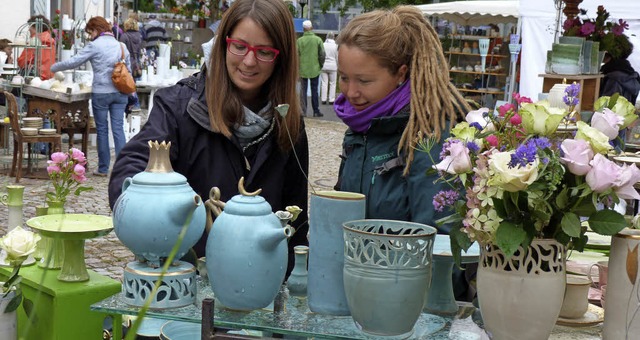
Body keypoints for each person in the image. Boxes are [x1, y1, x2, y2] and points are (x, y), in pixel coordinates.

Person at [108, 0, 309, 275]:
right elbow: (132, 164)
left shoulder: (289, 124)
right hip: (187, 277)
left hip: (261, 282)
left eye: (264, 52)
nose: (249, 61)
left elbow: (295, 218)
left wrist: (292, 281)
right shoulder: (178, 107)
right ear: (224, 44)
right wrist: (146, 215)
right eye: (240, 47)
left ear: (282, 57)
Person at [332, 6, 472, 299]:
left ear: (400, 74)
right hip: (363, 294)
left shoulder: (428, 134)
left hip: (408, 305)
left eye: (364, 80)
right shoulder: (363, 125)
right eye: (344, 77)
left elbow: (440, 244)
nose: (350, 92)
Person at [50, 16, 131, 177]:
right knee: (118, 129)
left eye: (91, 32)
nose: (90, 35)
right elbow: (128, 69)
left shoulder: (94, 45)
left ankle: (103, 168)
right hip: (120, 92)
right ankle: (123, 168)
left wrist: (54, 67)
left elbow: (74, 62)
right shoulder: (121, 46)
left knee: (102, 130)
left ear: (96, 30)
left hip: (101, 92)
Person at [297, 20, 325, 117]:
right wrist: (320, 65)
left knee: (303, 92)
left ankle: (304, 111)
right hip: (315, 68)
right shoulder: (318, 40)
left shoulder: (299, 41)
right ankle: (316, 111)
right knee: (314, 90)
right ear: (312, 28)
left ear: (303, 29)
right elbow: (322, 54)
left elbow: (296, 55)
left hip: (302, 69)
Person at [17, 15, 56, 80]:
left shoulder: (34, 41)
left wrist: (18, 60)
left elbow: (22, 62)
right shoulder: (51, 41)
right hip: (49, 78)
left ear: (35, 27)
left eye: (30, 26)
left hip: (34, 78)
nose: (29, 29)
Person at [119, 18, 143, 113]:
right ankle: (133, 103)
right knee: (133, 83)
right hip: (137, 62)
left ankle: (135, 103)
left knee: (128, 83)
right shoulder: (139, 36)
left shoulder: (124, 36)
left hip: (128, 61)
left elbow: (121, 50)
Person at [320, 32, 338, 105]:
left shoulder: (323, 45)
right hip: (333, 66)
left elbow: (321, 55)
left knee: (324, 83)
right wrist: (337, 65)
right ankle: (331, 99)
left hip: (324, 65)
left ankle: (323, 99)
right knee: (332, 83)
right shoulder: (336, 46)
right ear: (333, 37)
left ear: (326, 37)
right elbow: (337, 57)